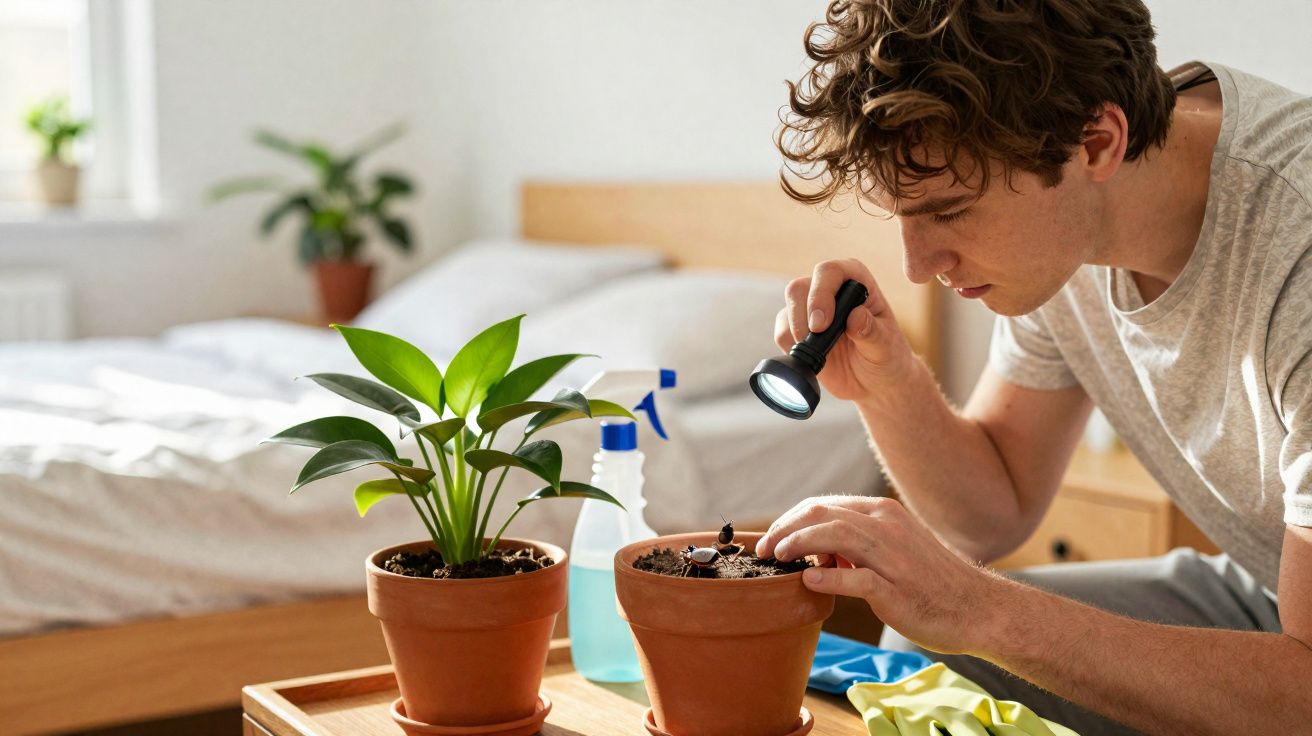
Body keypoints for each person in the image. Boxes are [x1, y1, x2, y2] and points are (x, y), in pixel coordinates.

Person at [756, 1, 1312, 733]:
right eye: (902, 215)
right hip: (1267, 596)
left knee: (970, 625)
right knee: (928, 650)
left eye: (949, 212)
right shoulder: (1067, 213)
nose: (918, 268)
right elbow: (991, 510)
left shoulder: (1293, 248)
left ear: (1096, 143)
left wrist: (975, 607)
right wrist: (888, 383)